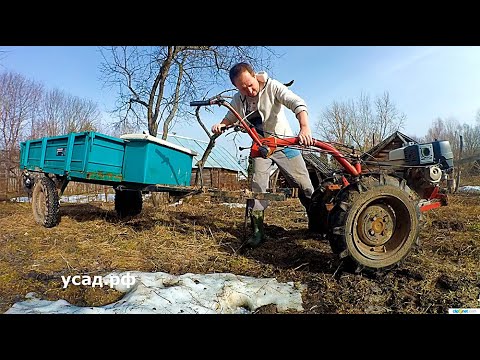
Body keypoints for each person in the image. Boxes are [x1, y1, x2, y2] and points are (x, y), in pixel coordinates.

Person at [211, 62, 315, 248]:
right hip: (261, 148)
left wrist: (304, 127)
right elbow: (230, 117)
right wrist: (222, 125)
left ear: (254, 75)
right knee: (257, 189)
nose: (249, 90)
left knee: (304, 186)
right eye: (243, 88)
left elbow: (296, 103)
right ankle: (258, 231)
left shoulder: (272, 87)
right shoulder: (238, 99)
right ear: (236, 87)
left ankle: (317, 223)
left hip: (284, 144)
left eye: (250, 84)